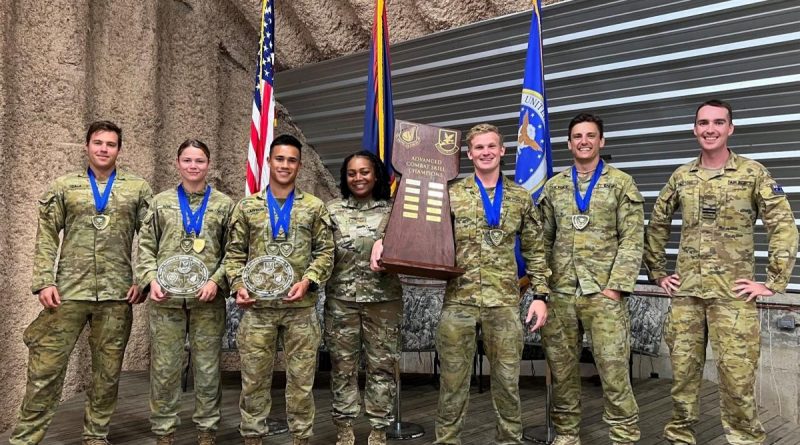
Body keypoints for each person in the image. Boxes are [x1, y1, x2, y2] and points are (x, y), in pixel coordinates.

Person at [372, 123, 550, 445]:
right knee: (453, 384)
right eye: (478, 148)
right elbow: (412, 222)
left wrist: (540, 296)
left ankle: (508, 441)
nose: (485, 152)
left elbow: (536, 251)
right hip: (458, 303)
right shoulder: (449, 195)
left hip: (504, 304)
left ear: (502, 150)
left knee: (508, 383)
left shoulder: (521, 199)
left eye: (491, 146)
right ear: (468, 154)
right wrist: (383, 241)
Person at [644, 99, 798, 445]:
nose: (709, 129)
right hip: (687, 296)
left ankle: (744, 438)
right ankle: (680, 437)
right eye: (703, 123)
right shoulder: (682, 176)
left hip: (733, 297)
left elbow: (784, 226)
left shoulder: (752, 174)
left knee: (737, 377)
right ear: (694, 129)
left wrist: (773, 281)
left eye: (717, 122)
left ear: (730, 128)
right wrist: (657, 272)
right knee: (682, 375)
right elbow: (657, 224)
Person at [10, 120, 152, 445]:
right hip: (68, 293)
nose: (104, 149)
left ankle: (95, 436)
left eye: (111, 144)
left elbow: (153, 237)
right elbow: (46, 235)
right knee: (45, 370)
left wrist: (143, 279)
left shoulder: (137, 188)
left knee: (107, 373)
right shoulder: (64, 186)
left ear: (119, 149)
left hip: (117, 296)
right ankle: (25, 439)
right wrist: (45, 281)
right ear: (87, 146)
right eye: (98, 142)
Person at [535, 113, 643, 445]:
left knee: (613, 372)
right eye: (578, 136)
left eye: (591, 135)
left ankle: (623, 435)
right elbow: (542, 241)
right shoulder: (554, 187)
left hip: (603, 294)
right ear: (569, 144)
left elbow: (632, 238)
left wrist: (615, 287)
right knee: (563, 371)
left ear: (601, 141)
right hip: (562, 293)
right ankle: (567, 434)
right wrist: (544, 289)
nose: (584, 141)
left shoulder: (621, 183)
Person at [224, 134, 335, 445]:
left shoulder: (314, 207)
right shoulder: (247, 207)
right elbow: (233, 254)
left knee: (301, 382)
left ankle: (301, 438)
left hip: (300, 309)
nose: (285, 165)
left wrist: (309, 281)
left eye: (292, 160)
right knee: (254, 381)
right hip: (257, 309)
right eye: (280, 159)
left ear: (299, 165)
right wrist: (237, 285)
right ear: (269, 161)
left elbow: (326, 252)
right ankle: (252, 438)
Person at [137, 139, 234, 445]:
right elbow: (145, 247)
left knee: (207, 369)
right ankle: (164, 431)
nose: (194, 166)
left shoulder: (224, 205)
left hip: (208, 302)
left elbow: (234, 252)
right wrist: (150, 279)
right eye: (188, 160)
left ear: (209, 165)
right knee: (165, 368)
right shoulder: (160, 202)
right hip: (166, 301)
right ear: (177, 163)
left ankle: (207, 431)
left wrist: (217, 281)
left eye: (200, 161)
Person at [325, 150, 402, 445]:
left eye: (365, 172)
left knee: (382, 366)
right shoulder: (331, 210)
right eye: (352, 173)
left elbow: (411, 249)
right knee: (342, 366)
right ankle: (344, 428)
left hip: (384, 302)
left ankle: (379, 429)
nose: (358, 178)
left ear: (376, 175)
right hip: (341, 302)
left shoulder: (394, 211)